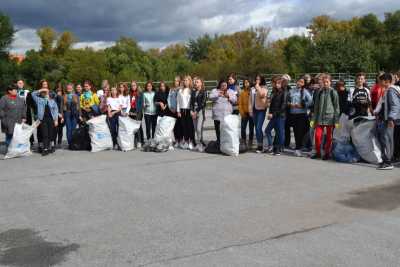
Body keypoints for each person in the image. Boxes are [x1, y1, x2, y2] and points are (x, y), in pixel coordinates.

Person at [310, 74, 340, 160]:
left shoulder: (333, 92)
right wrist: (313, 119)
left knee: (329, 137)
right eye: (324, 82)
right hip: (319, 118)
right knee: (317, 136)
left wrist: (336, 120)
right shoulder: (319, 92)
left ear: (330, 82)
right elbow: (316, 107)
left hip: (330, 118)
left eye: (327, 82)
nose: (325, 83)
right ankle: (318, 153)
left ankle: (327, 153)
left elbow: (337, 107)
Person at [374, 73, 400, 170]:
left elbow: (395, 106)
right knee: (386, 139)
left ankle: (388, 162)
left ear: (386, 81)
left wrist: (391, 118)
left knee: (386, 140)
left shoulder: (391, 91)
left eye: (380, 81)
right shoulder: (387, 91)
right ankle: (386, 160)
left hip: (388, 120)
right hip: (385, 119)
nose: (379, 82)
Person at [286, 77, 312, 156]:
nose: (299, 83)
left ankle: (298, 148)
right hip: (293, 114)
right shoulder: (291, 91)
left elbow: (310, 101)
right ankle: (298, 147)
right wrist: (290, 104)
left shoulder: (305, 92)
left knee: (299, 132)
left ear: (303, 84)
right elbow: (287, 101)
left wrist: (303, 106)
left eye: (301, 82)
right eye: (298, 81)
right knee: (295, 131)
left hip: (301, 115)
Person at [31, 82, 59, 156]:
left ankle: (49, 147)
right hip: (42, 120)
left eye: (46, 93)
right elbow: (33, 94)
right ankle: (45, 149)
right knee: (45, 134)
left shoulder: (52, 101)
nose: (45, 94)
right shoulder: (39, 100)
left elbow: (56, 110)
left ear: (49, 93)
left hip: (51, 119)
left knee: (50, 134)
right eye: (44, 93)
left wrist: (56, 120)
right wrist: (41, 90)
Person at [209, 80, 237, 145]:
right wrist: (218, 94)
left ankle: (226, 143)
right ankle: (219, 142)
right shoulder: (215, 90)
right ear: (220, 85)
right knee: (218, 130)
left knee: (226, 130)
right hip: (217, 115)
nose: (224, 87)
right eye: (222, 85)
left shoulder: (231, 91)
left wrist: (228, 96)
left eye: (225, 85)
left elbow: (235, 100)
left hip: (227, 115)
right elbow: (210, 97)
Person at [265, 76, 287, 155]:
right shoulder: (274, 92)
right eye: (275, 83)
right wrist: (269, 113)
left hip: (280, 116)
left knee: (279, 133)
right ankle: (272, 146)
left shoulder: (284, 92)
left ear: (281, 84)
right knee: (267, 130)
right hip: (273, 115)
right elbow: (271, 104)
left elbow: (283, 106)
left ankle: (278, 148)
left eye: (278, 83)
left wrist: (273, 114)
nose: (276, 85)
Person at [249, 75, 268, 153]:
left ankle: (260, 145)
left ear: (262, 80)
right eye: (256, 79)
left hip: (261, 110)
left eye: (259, 79)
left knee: (258, 128)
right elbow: (250, 100)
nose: (257, 80)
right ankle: (259, 144)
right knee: (256, 128)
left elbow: (262, 95)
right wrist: (250, 110)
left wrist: (258, 87)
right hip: (254, 110)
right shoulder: (252, 89)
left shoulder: (264, 88)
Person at [177, 76, 195, 150]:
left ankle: (191, 141)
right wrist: (178, 111)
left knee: (190, 127)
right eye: (184, 80)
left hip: (189, 110)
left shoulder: (191, 90)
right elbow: (178, 101)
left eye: (187, 80)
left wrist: (192, 110)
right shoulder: (180, 90)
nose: (185, 82)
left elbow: (193, 102)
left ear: (190, 81)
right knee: (184, 127)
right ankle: (186, 141)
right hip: (182, 110)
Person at [191, 77, 207, 152]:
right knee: (195, 129)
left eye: (197, 82)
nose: (196, 83)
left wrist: (196, 111)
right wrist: (191, 111)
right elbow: (191, 103)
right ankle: (198, 144)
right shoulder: (193, 92)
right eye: (195, 82)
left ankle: (200, 144)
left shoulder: (204, 91)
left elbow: (203, 104)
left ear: (201, 83)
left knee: (198, 129)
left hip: (200, 112)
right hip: (193, 112)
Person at [238, 78, 254, 148]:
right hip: (244, 113)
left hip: (251, 113)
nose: (246, 84)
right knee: (243, 128)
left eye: (247, 82)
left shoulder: (253, 91)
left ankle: (250, 141)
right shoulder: (242, 92)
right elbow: (240, 104)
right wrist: (242, 113)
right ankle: (243, 141)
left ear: (250, 83)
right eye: (244, 83)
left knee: (251, 128)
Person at [63, 83, 80, 148]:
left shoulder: (76, 96)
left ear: (72, 88)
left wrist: (80, 115)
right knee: (68, 129)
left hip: (74, 114)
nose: (69, 89)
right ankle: (70, 143)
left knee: (73, 129)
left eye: (70, 88)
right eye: (68, 88)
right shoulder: (64, 96)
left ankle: (73, 143)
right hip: (67, 113)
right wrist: (62, 115)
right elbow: (62, 106)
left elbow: (79, 106)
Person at [129, 81, 144, 148]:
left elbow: (141, 104)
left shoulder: (140, 93)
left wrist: (137, 111)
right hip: (131, 111)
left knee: (138, 127)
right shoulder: (130, 94)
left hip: (138, 112)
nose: (133, 87)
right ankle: (136, 140)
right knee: (133, 127)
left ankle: (140, 141)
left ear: (136, 86)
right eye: (132, 86)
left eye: (134, 85)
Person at [169, 76, 183, 147]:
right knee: (174, 126)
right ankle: (176, 140)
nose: (175, 82)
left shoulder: (181, 89)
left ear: (180, 82)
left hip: (179, 110)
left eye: (177, 81)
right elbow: (168, 99)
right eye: (175, 81)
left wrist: (178, 110)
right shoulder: (171, 89)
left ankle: (181, 140)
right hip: (172, 110)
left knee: (180, 126)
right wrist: (170, 107)